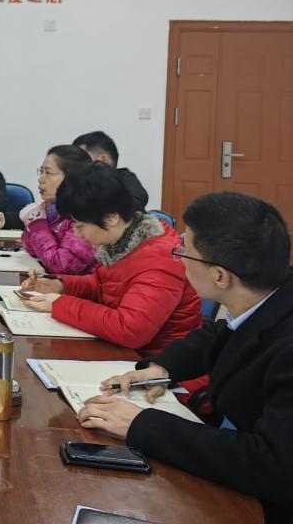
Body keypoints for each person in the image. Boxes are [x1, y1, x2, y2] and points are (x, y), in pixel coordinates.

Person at [77, 192, 293, 524]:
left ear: (220, 276)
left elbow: (270, 465)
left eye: (183, 251)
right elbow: (221, 334)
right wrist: (161, 367)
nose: (177, 258)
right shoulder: (268, 295)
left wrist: (141, 425)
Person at [20, 163, 200, 355]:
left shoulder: (160, 260)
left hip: (157, 364)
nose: (77, 234)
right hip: (125, 352)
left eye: (80, 226)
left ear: (111, 218)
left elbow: (129, 330)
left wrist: (60, 304)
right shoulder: (120, 242)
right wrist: (62, 285)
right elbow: (105, 286)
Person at [0, 145, 97, 275]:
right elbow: (30, 247)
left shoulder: (85, 217)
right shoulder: (51, 208)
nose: (40, 179)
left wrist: (37, 224)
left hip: (77, 286)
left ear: (72, 177)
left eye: (48, 173)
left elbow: (61, 266)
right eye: (41, 171)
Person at [73, 130, 149, 212]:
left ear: (104, 160)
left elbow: (136, 202)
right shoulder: (76, 182)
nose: (75, 164)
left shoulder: (125, 178)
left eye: (81, 158)